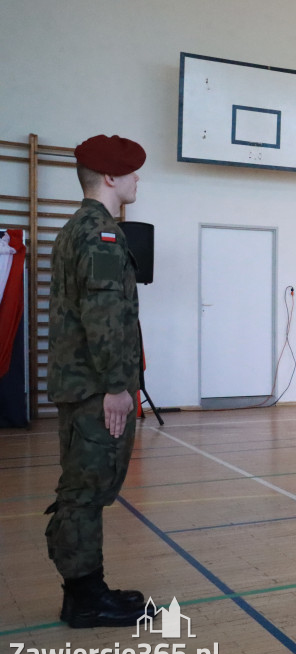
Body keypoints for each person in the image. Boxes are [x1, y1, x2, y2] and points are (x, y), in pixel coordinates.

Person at [45, 134, 151, 627]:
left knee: (85, 489)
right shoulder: (100, 234)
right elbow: (104, 316)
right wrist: (116, 388)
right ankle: (85, 599)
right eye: (131, 172)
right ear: (110, 177)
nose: (136, 180)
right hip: (95, 390)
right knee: (86, 492)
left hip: (82, 386)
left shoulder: (78, 229)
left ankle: (88, 588)